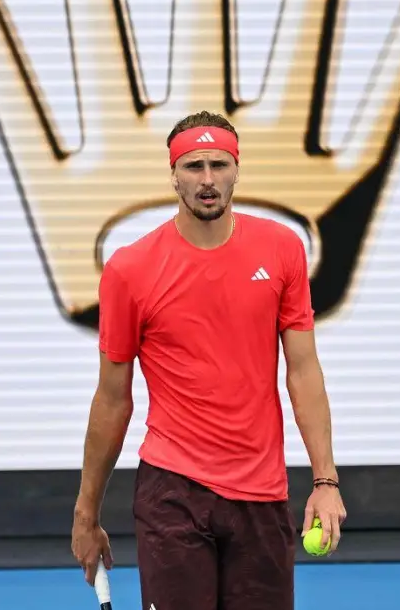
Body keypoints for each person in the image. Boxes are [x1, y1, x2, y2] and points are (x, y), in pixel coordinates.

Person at [69, 110, 345, 610]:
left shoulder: (282, 249)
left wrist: (325, 481)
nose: (208, 179)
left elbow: (303, 371)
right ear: (173, 174)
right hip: (172, 491)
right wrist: (86, 514)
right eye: (194, 166)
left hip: (262, 494)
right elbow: (113, 399)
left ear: (237, 168)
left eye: (219, 164)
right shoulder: (130, 270)